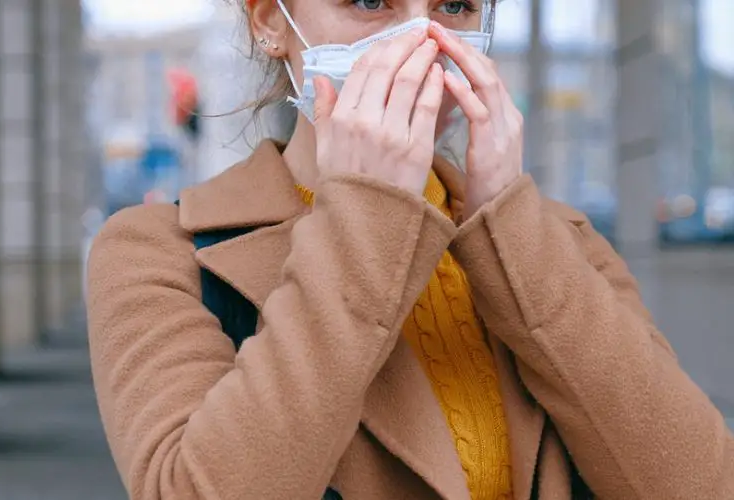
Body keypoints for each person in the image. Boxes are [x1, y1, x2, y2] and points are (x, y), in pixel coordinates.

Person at [85, 1, 734, 499]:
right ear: (269, 20)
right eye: (369, 0)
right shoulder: (159, 253)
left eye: (455, 6)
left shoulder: (557, 242)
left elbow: (701, 484)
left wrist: (504, 220)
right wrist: (369, 212)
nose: (421, 42)